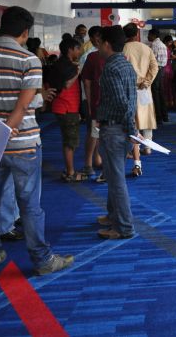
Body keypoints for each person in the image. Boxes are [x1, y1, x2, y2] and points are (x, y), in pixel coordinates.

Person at [0, 6, 74, 275]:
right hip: (23, 143)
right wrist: (5, 130)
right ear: (25, 32)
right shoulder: (28, 60)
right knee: (30, 205)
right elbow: (23, 105)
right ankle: (42, 260)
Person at [95, 25, 138, 239]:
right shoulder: (126, 65)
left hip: (115, 129)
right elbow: (130, 102)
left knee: (116, 180)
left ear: (106, 44)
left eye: (99, 43)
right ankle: (114, 216)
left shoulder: (111, 68)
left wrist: (131, 130)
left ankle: (123, 227)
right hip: (121, 129)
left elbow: (122, 103)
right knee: (114, 176)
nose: (97, 47)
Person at [123, 23, 158, 177]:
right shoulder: (146, 48)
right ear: (137, 34)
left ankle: (131, 149)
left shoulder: (123, 49)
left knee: (131, 118)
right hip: (144, 87)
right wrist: (147, 81)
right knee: (146, 116)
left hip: (128, 88)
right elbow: (154, 67)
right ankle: (147, 146)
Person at [47, 36, 84, 181]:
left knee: (68, 140)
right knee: (70, 142)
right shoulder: (70, 67)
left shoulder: (58, 64)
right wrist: (77, 72)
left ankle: (69, 170)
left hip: (62, 106)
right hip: (67, 107)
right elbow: (67, 84)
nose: (79, 51)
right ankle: (70, 173)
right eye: (77, 48)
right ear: (70, 50)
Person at [80, 27, 105, 179]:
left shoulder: (105, 53)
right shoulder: (89, 55)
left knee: (99, 133)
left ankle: (96, 159)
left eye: (100, 36)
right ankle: (88, 164)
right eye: (95, 36)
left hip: (100, 100)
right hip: (91, 100)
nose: (98, 39)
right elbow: (86, 82)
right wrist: (89, 103)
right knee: (93, 132)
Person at [148, 29, 169, 124]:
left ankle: (158, 117)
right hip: (162, 69)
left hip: (156, 70)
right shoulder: (163, 45)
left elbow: (151, 60)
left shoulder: (154, 45)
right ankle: (165, 116)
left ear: (153, 35)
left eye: (149, 35)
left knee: (155, 93)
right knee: (161, 93)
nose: (148, 37)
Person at [162, 35, 176, 109]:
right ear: (166, 41)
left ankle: (170, 102)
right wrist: (172, 57)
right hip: (166, 67)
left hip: (169, 67)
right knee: (166, 85)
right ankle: (167, 102)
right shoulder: (164, 48)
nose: (170, 43)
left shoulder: (167, 48)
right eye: (170, 42)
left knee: (169, 85)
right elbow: (165, 58)